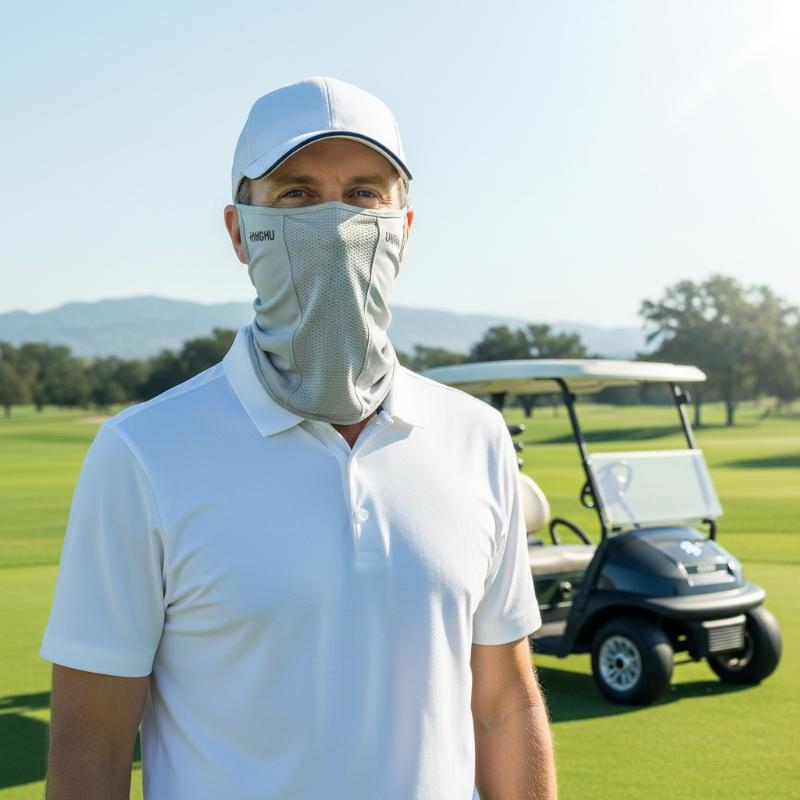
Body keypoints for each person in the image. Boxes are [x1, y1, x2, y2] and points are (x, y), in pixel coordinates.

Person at [39, 76, 557, 799]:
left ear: (404, 227)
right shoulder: (142, 454)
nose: (337, 223)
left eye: (365, 193)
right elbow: (90, 749)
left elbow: (504, 704)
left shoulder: (477, 437)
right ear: (238, 231)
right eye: (297, 195)